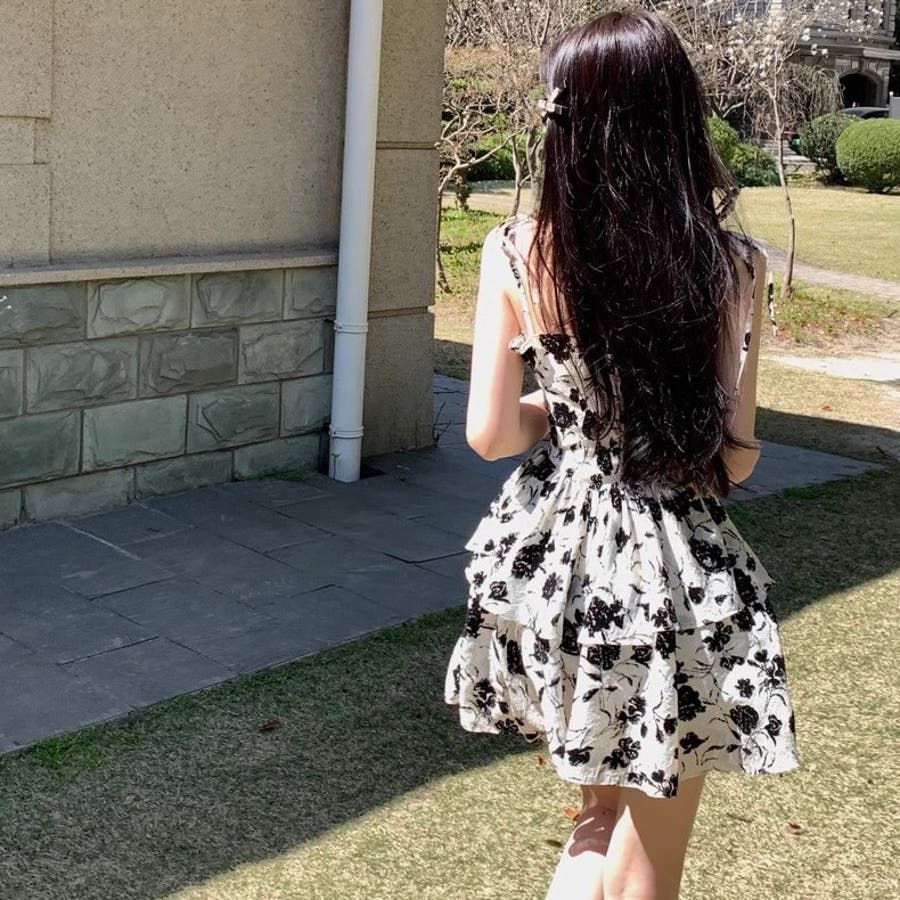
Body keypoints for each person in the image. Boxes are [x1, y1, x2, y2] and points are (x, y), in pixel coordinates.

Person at [443, 10, 800, 900]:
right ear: (676, 116)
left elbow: (490, 434)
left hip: (553, 572)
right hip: (670, 579)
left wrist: (566, 409)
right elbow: (734, 459)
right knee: (650, 855)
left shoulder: (516, 251)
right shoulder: (731, 263)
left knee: (598, 819)